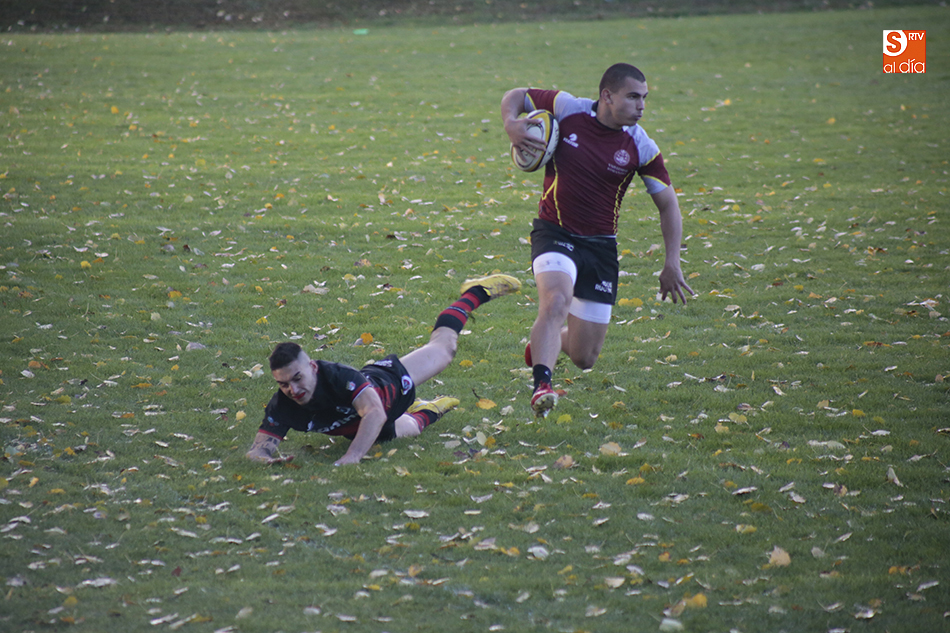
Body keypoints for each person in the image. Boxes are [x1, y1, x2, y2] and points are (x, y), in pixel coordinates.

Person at [501, 63, 694, 417]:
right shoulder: (568, 108)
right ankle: (541, 383)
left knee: (584, 357)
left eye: (644, 98)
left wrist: (672, 262)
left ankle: (543, 347)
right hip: (554, 232)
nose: (641, 106)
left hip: (600, 247)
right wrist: (512, 124)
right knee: (556, 301)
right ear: (607, 96)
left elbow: (668, 205)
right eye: (633, 97)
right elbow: (516, 96)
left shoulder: (641, 146)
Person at [245, 274, 521, 466]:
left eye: (297, 378)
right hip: (365, 424)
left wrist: (351, 457)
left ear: (313, 368)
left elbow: (374, 412)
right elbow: (259, 449)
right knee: (410, 429)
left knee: (444, 349)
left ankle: (475, 293)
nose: (293, 390)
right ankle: (434, 408)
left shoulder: (338, 377)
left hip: (390, 384)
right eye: (283, 384)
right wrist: (267, 460)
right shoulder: (283, 403)